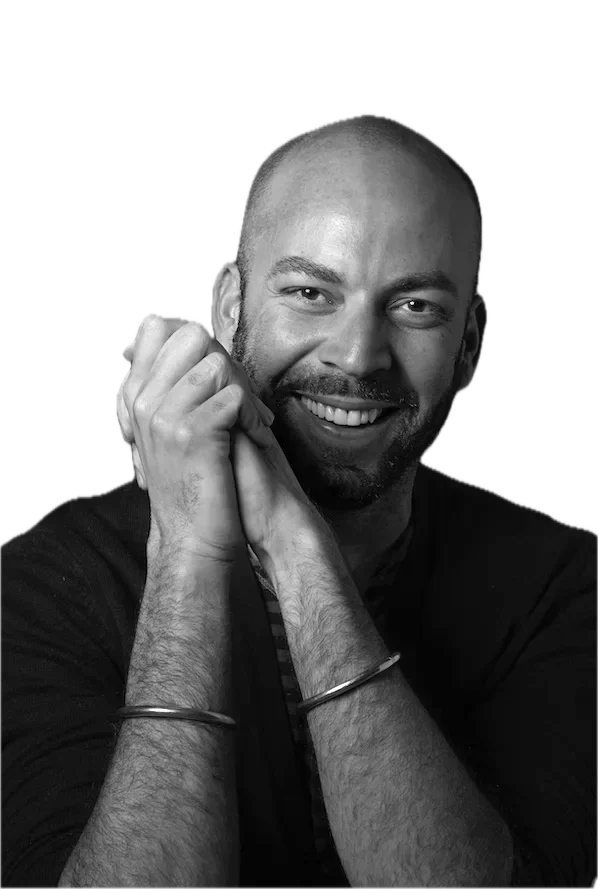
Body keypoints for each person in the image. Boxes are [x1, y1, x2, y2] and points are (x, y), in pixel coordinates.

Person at [0, 115, 595, 888]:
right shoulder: (45, 582)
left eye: (415, 306)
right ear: (226, 308)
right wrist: (188, 555)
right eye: (311, 291)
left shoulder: (565, 587)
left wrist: (297, 543)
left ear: (472, 342)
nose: (357, 354)